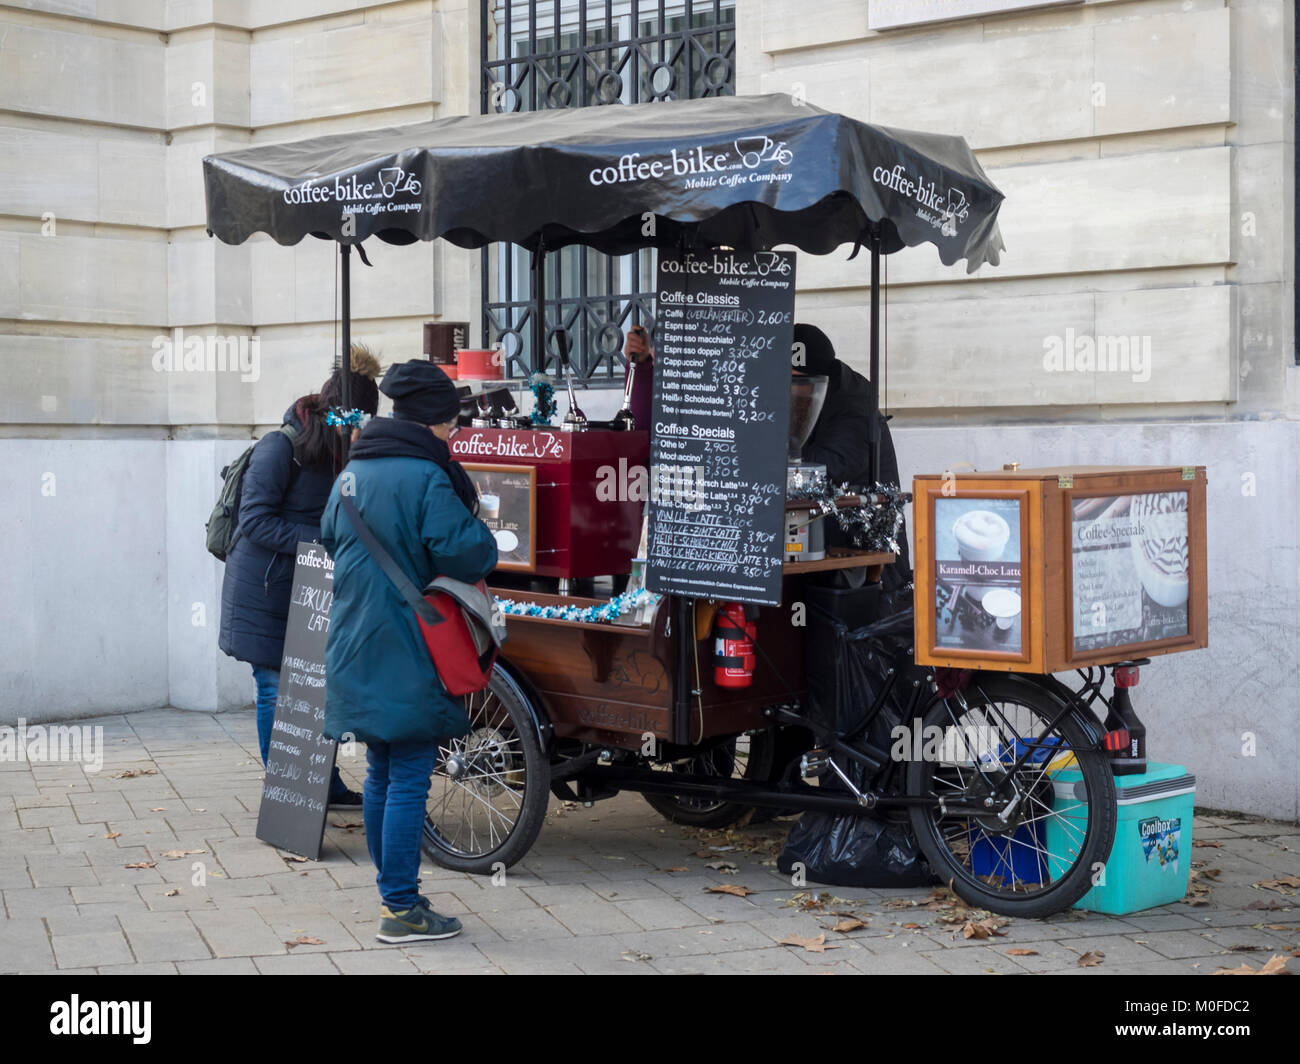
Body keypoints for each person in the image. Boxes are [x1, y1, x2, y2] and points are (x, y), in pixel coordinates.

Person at [321, 360, 498, 944]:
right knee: (410, 776)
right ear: (434, 421)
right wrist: (483, 526)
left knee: (381, 769)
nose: (454, 432)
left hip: (354, 638)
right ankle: (400, 909)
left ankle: (392, 890)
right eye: (452, 421)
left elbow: (328, 534)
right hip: (409, 642)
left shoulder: (352, 472)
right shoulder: (427, 476)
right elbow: (469, 553)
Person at [624, 321, 910, 585]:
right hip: (809, 553)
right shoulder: (788, 393)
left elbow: (828, 470)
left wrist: (762, 451)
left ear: (821, 380)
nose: (790, 393)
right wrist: (651, 370)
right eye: (784, 382)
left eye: (799, 384)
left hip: (861, 568)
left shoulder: (854, 406)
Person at [218, 345, 381, 808]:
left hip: (309, 589)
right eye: (356, 423)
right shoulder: (281, 446)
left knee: (314, 691)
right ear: (337, 414)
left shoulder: (342, 454)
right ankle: (288, 794)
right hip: (264, 590)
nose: (359, 433)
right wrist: (323, 539)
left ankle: (322, 787)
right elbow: (255, 520)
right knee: (274, 686)